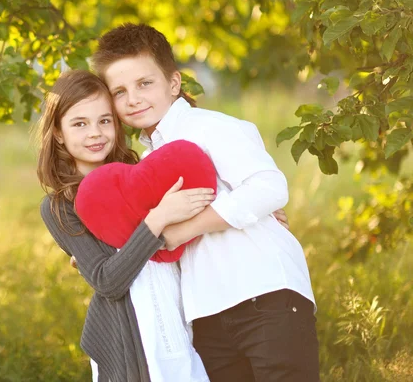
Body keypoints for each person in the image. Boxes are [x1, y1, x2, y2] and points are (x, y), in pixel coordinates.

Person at [91, 23, 320, 381]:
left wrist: (185, 229)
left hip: (264, 294)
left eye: (145, 83)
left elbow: (269, 186)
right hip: (206, 316)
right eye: (119, 91)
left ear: (174, 83)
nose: (133, 98)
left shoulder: (209, 127)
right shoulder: (142, 163)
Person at [36, 69, 213, 382]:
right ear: (59, 132)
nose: (95, 133)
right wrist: (157, 218)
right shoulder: (61, 207)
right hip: (130, 339)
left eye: (104, 120)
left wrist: (251, 215)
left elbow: (197, 213)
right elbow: (107, 281)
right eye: (80, 124)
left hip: (182, 316)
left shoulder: (143, 172)